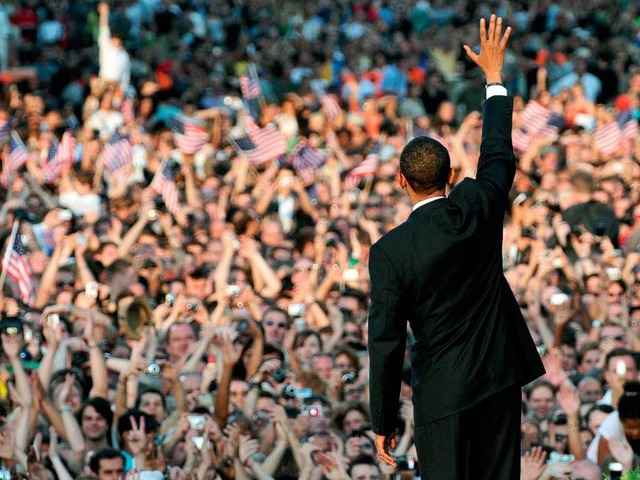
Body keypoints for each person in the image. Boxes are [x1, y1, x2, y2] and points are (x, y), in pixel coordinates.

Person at [367, 15, 544, 479]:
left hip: (443, 396)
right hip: (500, 380)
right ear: (449, 177)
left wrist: (383, 421)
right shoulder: (476, 206)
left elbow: (385, 342)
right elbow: (498, 153)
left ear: (401, 180)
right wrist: (494, 79)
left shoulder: (390, 251)